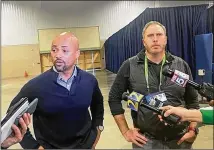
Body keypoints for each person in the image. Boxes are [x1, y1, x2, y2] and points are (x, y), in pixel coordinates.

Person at [108, 21, 200, 149]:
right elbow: (114, 98)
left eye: (159, 35)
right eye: (150, 36)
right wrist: (125, 131)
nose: (155, 39)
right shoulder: (129, 66)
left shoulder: (181, 65)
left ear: (166, 39)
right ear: (143, 41)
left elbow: (193, 101)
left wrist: (193, 129)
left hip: (180, 140)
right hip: (145, 141)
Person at [6, 32, 104, 149]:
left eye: (64, 51)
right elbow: (12, 117)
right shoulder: (36, 86)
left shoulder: (89, 81)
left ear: (77, 54)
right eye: (54, 50)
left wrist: (97, 131)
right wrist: (33, 146)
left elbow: (98, 106)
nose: (58, 55)